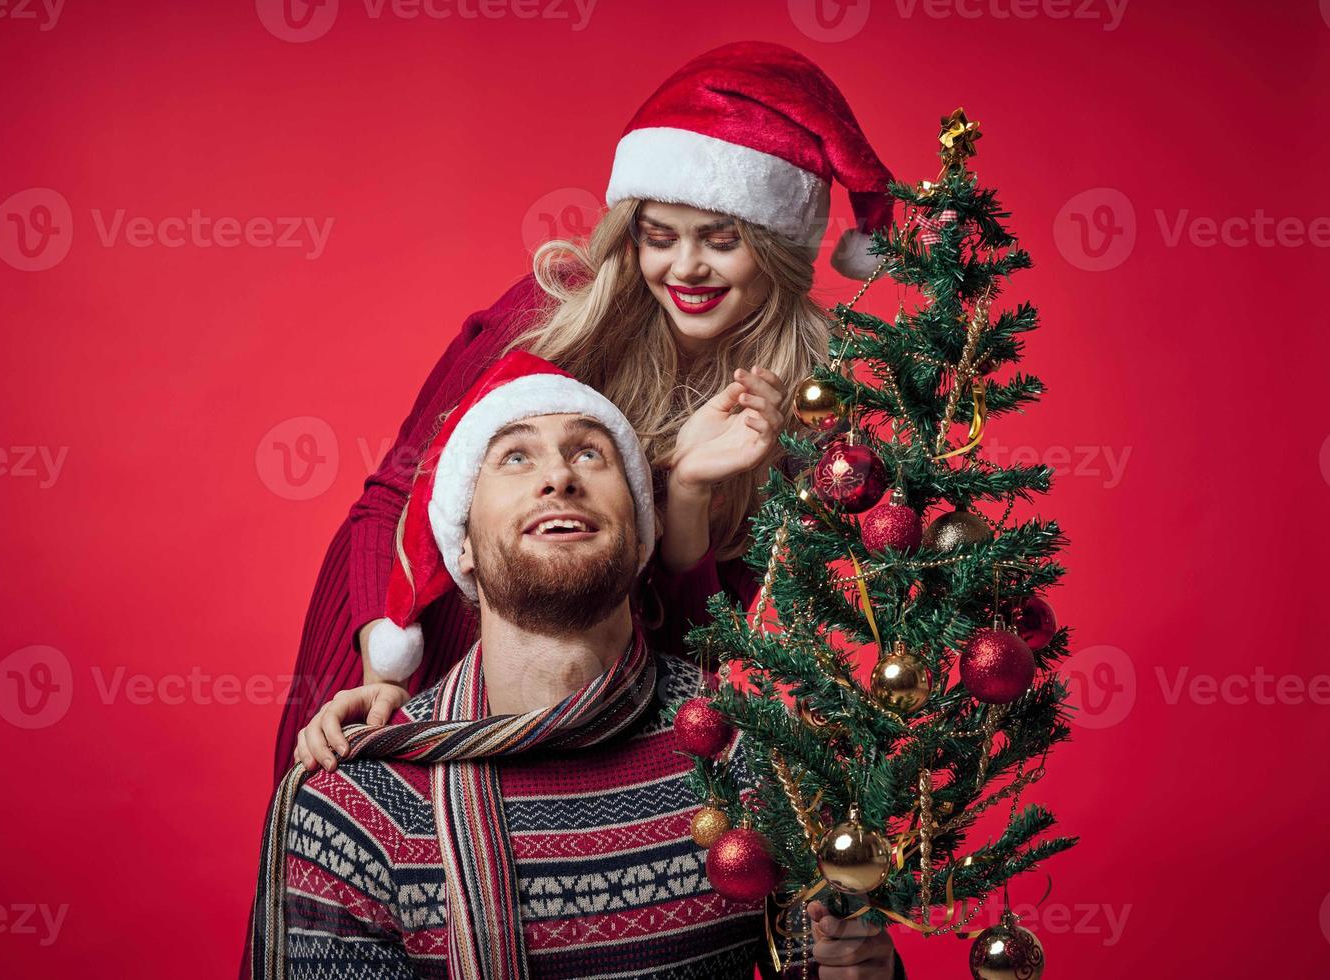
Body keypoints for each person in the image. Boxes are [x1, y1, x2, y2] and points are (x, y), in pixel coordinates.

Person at [270, 40, 897, 784]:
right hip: (407, 642)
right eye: (658, 237)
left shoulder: (806, 415)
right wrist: (388, 665)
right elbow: (390, 498)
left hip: (594, 713)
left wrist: (690, 492)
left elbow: (703, 654)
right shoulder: (550, 315)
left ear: (778, 248)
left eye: (720, 242)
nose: (685, 268)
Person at [248, 353, 903, 979]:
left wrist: (866, 971)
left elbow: (821, 959)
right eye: (514, 457)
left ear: (643, 529)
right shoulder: (356, 808)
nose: (559, 477)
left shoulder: (754, 756)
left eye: (590, 452)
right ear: (462, 543)